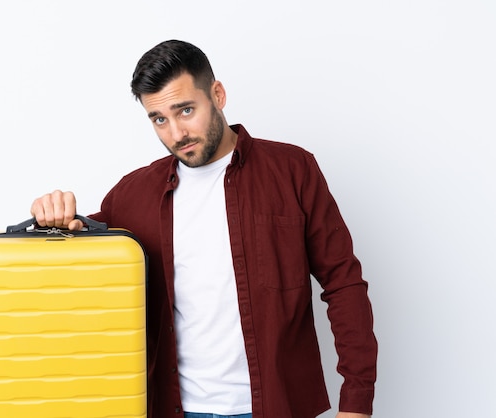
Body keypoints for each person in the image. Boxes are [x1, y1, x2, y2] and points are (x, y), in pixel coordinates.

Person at [30, 40, 377, 418]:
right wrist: (51, 216)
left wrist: (356, 402)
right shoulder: (132, 195)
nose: (176, 133)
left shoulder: (293, 171)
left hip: (276, 405)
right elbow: (79, 255)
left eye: (185, 110)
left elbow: (343, 283)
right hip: (175, 408)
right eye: (159, 119)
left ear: (218, 94)